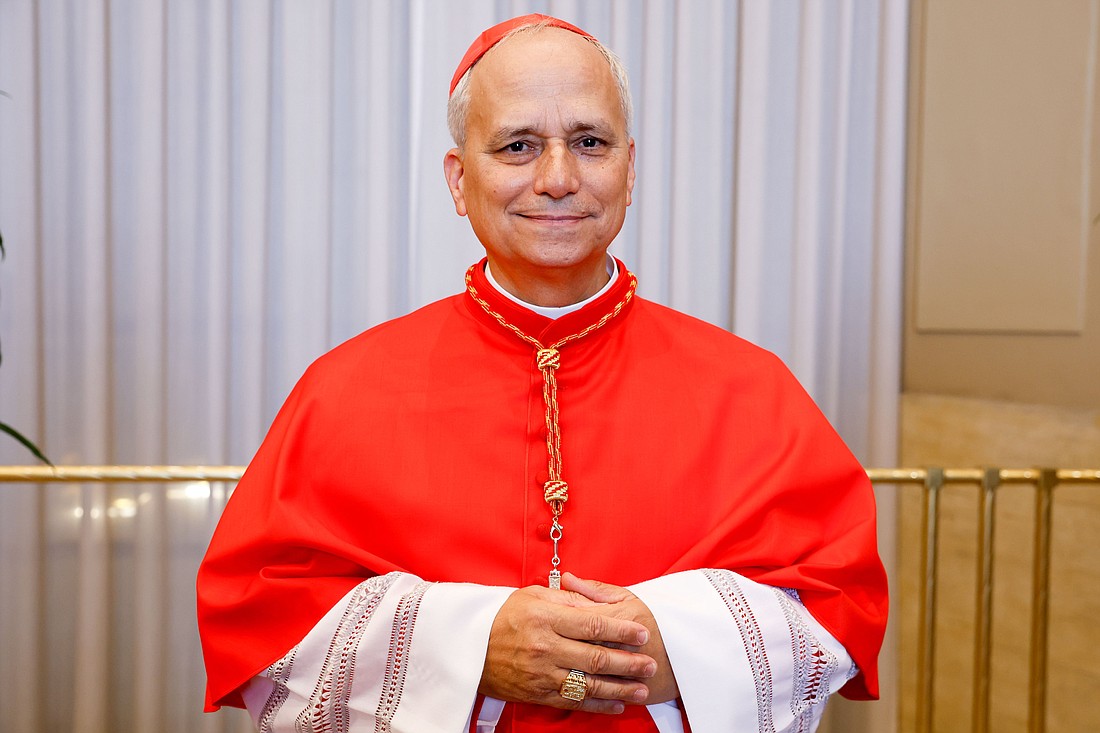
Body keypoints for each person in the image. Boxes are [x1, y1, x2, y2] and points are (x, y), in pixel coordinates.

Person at [197, 14, 888, 733]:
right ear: (460, 180)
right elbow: (258, 614)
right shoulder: (342, 391)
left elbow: (840, 602)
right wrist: (468, 646)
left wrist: (677, 643)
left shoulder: (752, 390)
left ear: (630, 170)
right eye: (518, 146)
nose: (558, 179)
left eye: (589, 143)